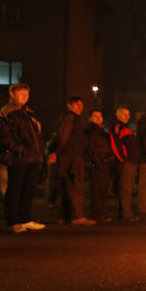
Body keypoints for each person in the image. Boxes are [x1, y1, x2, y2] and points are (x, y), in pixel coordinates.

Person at [0, 83, 46, 233]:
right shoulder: (7, 112)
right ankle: (13, 220)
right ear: (12, 94)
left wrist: (39, 151)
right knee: (15, 189)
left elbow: (37, 134)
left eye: (27, 94)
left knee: (28, 190)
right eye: (21, 94)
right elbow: (3, 136)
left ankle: (25, 218)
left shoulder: (28, 112)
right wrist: (20, 150)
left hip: (34, 156)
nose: (25, 97)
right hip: (19, 157)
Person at [56, 96, 94, 225]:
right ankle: (78, 217)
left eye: (81, 105)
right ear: (69, 105)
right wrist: (58, 152)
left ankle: (65, 217)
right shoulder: (70, 119)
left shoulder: (71, 119)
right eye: (77, 105)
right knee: (75, 187)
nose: (80, 108)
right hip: (73, 159)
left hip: (70, 158)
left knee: (68, 188)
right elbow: (63, 137)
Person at [109, 106, 139, 221]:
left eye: (128, 114)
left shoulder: (125, 128)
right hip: (127, 163)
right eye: (124, 114)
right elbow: (115, 145)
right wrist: (123, 159)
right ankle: (126, 214)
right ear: (118, 115)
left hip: (130, 162)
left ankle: (124, 212)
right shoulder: (118, 127)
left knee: (127, 188)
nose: (127, 117)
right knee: (125, 189)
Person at [85, 110, 113, 222]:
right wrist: (98, 162)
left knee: (103, 189)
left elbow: (109, 147)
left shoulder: (102, 132)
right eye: (95, 116)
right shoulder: (90, 131)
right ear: (90, 118)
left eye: (100, 116)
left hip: (104, 163)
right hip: (97, 165)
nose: (98, 118)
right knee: (96, 190)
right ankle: (96, 213)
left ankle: (102, 211)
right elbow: (90, 149)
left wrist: (109, 158)